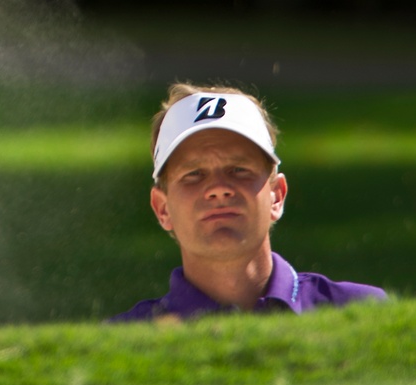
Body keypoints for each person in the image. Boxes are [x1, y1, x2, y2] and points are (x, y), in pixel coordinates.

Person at [111, 82, 386, 320]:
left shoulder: (362, 313)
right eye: (194, 175)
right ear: (162, 209)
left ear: (276, 195)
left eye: (239, 170)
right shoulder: (122, 342)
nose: (218, 189)